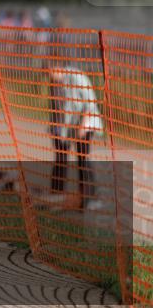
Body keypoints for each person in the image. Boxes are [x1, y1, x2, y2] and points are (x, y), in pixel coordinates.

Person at [48, 67, 103, 211]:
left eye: (51, 71)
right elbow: (56, 108)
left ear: (58, 66)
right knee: (61, 155)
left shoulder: (76, 77)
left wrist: (83, 126)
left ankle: (90, 198)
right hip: (69, 126)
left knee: (83, 160)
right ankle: (56, 194)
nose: (49, 75)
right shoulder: (54, 83)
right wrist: (55, 129)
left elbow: (90, 103)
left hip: (86, 122)